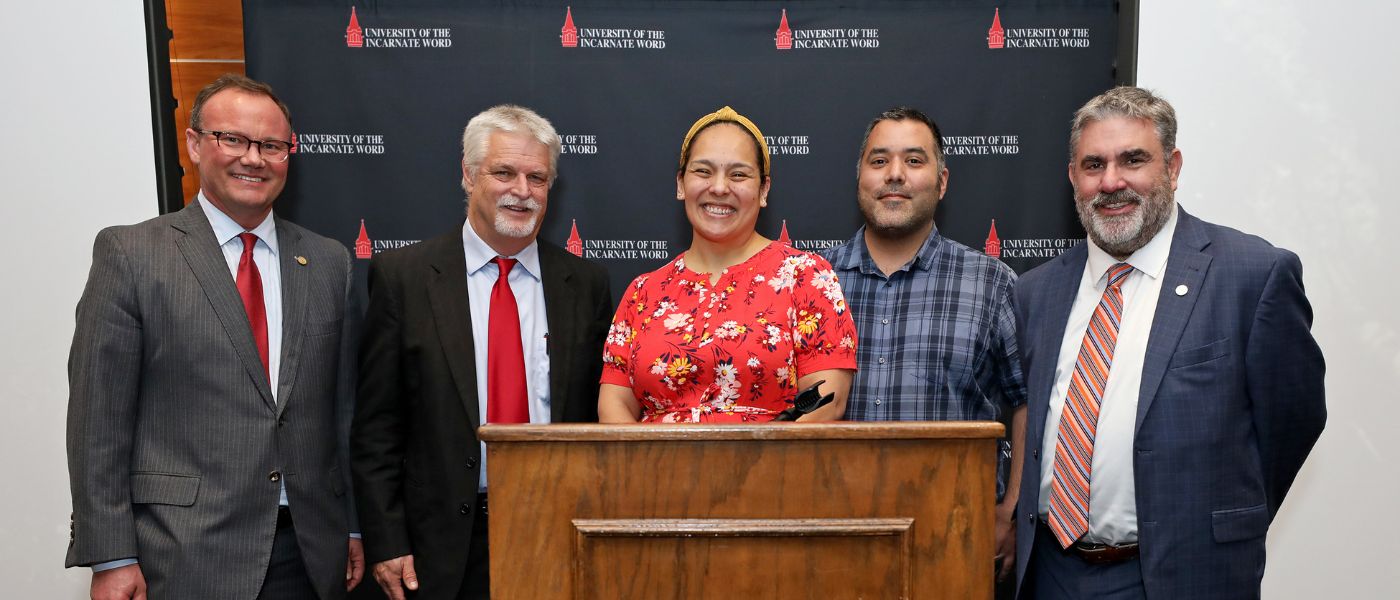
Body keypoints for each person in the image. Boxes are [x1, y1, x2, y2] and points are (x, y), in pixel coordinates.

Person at [1013, 86, 1326, 599]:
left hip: (1185, 575)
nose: (1111, 182)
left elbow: (1293, 421)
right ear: (1073, 178)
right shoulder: (1035, 292)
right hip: (1050, 573)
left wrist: (1215, 521)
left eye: (1133, 160)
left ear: (1173, 167)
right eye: (1093, 165)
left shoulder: (1252, 275)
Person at [65, 73, 364, 599]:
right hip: (180, 554)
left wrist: (356, 526)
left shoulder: (328, 262)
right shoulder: (133, 256)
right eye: (234, 139)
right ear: (195, 144)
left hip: (311, 553)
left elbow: (343, 413)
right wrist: (111, 556)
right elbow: (98, 422)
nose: (254, 158)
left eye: (271, 145)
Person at [351, 104, 612, 600]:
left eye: (537, 177)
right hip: (439, 547)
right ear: (469, 176)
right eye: (504, 172)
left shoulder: (586, 284)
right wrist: (387, 539)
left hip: (557, 531)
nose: (521, 190)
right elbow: (376, 428)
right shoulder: (403, 278)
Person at [822, 107, 1027, 588]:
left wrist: (1010, 512)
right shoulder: (812, 281)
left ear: (942, 181)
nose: (895, 175)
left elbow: (1027, 403)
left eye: (914, 160)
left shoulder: (992, 283)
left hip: (956, 536)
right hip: (831, 535)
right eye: (879, 161)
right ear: (860, 178)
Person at [598, 106, 857, 423]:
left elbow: (825, 397)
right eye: (703, 172)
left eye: (739, 174)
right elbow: (615, 404)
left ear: (763, 190)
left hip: (774, 467)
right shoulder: (643, 292)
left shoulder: (805, 276)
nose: (719, 187)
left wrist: (758, 463)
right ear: (681, 184)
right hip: (653, 469)